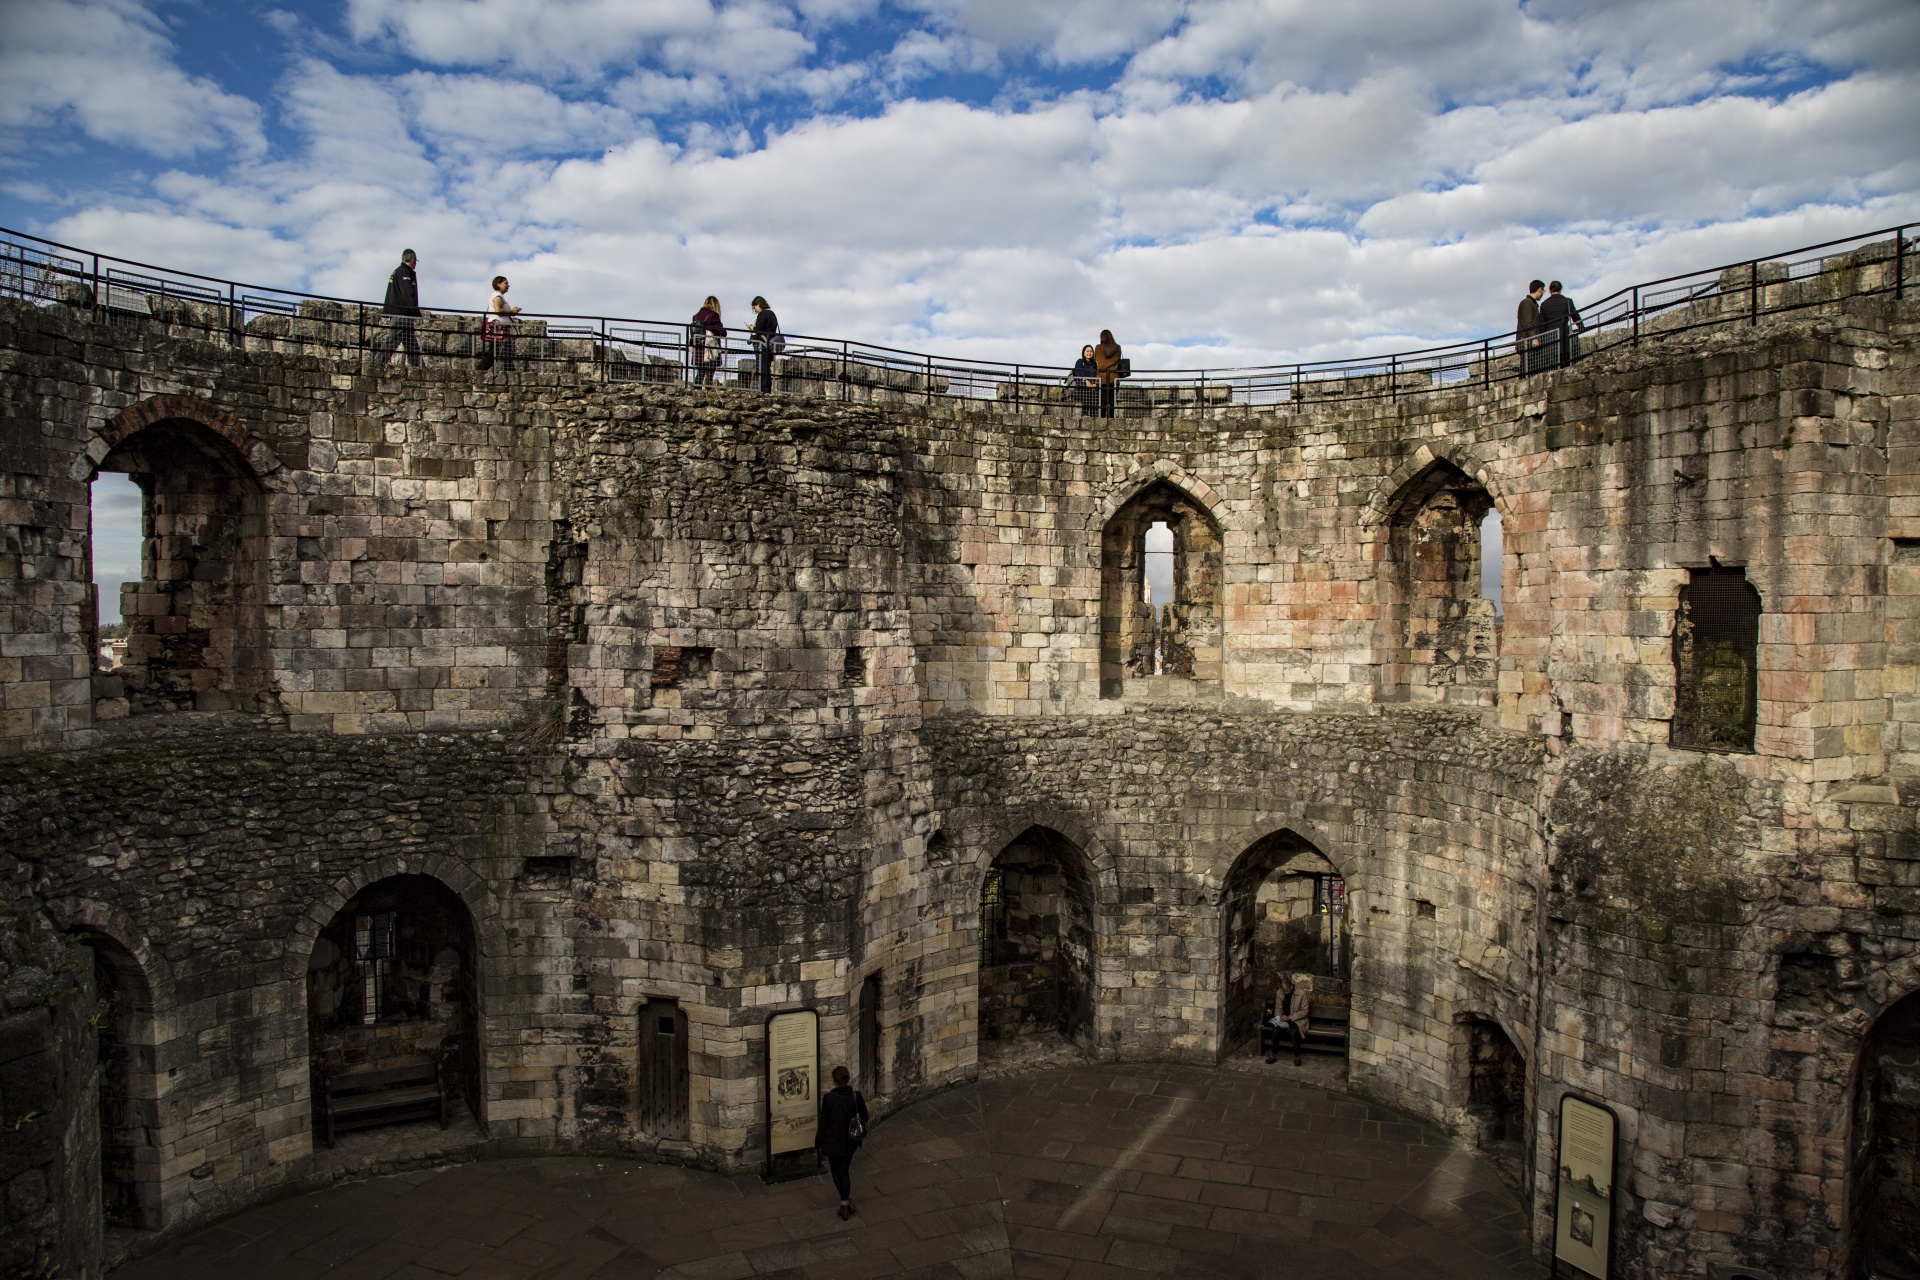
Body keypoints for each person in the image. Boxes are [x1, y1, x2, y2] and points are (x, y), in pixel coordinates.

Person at [814, 1064, 869, 1220]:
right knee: (844, 1170)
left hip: (833, 1142)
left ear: (834, 1081)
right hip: (850, 1141)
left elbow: (824, 1123)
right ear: (847, 1079)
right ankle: (846, 1199)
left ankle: (844, 1205)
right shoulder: (855, 1097)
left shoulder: (829, 1098)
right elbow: (864, 1117)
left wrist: (818, 1142)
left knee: (837, 1172)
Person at [377, 250, 423, 367]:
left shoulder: (397, 271)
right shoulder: (404, 272)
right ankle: (377, 364)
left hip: (401, 313)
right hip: (402, 313)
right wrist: (415, 312)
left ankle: (419, 367)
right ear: (413, 260)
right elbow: (407, 293)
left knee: (411, 344)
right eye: (415, 261)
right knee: (392, 340)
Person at [1539, 280, 1583, 369]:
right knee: (1567, 364)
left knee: (1552, 366)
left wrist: (1541, 338)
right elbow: (1575, 317)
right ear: (1561, 289)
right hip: (1565, 336)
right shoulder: (1567, 301)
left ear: (1550, 290)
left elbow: (1542, 324)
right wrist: (1581, 327)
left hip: (1550, 338)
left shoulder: (1544, 304)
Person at [1263, 976, 1304, 1065]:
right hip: (1284, 1019)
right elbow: (1278, 1008)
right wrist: (1278, 1019)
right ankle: (1273, 1055)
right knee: (1275, 1031)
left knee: (1294, 1032)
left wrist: (1290, 1017)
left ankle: (1297, 1056)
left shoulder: (1301, 994)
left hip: (1296, 1019)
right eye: (1283, 990)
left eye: (1286, 990)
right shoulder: (1280, 993)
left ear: (1291, 987)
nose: (1284, 992)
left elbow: (1304, 1011)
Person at [485, 275, 520, 372]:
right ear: (498, 284)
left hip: (500, 327)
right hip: (498, 327)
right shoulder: (497, 296)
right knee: (496, 352)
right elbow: (498, 310)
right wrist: (512, 311)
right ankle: (481, 369)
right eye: (506, 283)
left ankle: (510, 371)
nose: (508, 285)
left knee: (502, 350)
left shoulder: (498, 296)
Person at [749, 296, 782, 393]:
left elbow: (759, 330)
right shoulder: (772, 314)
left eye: (754, 307)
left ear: (758, 304)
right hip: (771, 344)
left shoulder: (762, 314)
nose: (754, 310)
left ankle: (763, 390)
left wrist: (751, 327)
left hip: (762, 344)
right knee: (767, 368)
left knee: (762, 367)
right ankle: (768, 389)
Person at [690, 297, 725, 386]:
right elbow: (720, 331)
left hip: (698, 348)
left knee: (700, 372)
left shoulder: (695, 316)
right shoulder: (713, 315)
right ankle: (708, 390)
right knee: (709, 373)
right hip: (710, 348)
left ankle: (696, 391)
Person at [1515, 280, 1544, 375]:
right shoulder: (1527, 303)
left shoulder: (1530, 303)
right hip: (1527, 341)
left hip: (1528, 341)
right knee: (1528, 368)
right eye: (1543, 291)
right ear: (1539, 289)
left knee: (1530, 368)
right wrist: (1534, 338)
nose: (1543, 294)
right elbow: (1527, 322)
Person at [1093, 329, 1123, 419]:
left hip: (1101, 379)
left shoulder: (1098, 348)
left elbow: (1097, 360)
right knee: (1112, 402)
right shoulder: (1117, 348)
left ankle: (1101, 421)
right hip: (1114, 377)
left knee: (1102, 402)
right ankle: (1112, 420)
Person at [1067, 344, 1099, 414]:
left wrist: (1095, 383)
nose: (1089, 353)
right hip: (1083, 389)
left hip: (1093, 389)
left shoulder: (1094, 364)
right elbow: (1079, 373)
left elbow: (1096, 374)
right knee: (1085, 407)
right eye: (1087, 351)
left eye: (1091, 351)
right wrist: (1086, 381)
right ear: (1083, 352)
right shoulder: (1080, 362)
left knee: (1094, 408)